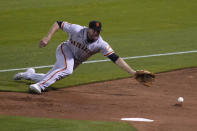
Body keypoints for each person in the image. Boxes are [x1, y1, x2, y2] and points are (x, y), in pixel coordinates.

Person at [14, 20, 137, 94]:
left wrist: (133, 72)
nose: (96, 32)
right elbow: (58, 23)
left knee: (51, 76)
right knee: (67, 70)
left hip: (76, 61)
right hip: (65, 50)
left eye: (98, 31)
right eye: (94, 30)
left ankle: (28, 74)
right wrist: (48, 37)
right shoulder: (77, 30)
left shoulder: (101, 44)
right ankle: (39, 86)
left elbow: (115, 58)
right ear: (88, 29)